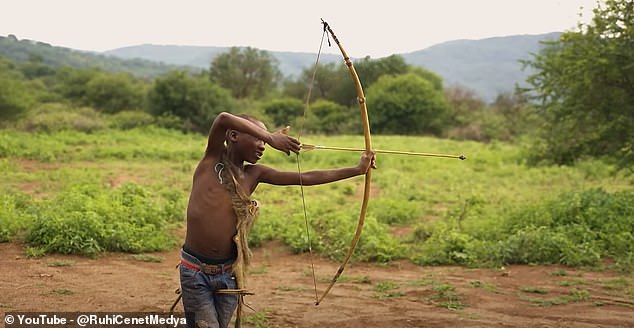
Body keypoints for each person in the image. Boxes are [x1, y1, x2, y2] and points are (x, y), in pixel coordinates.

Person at [179, 112, 375, 328]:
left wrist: (357, 170)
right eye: (258, 138)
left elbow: (306, 178)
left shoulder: (253, 174)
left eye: (265, 141)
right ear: (233, 136)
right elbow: (223, 118)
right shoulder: (211, 160)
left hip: (229, 273)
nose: (263, 145)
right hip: (196, 271)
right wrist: (272, 138)